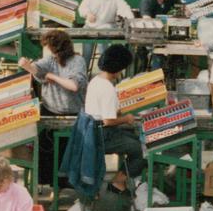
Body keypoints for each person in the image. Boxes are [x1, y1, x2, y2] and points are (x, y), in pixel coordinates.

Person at [84, 44, 145, 195]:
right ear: (119, 68)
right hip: (102, 134)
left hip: (91, 129)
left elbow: (102, 110)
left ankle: (120, 180)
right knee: (143, 150)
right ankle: (118, 181)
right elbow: (108, 121)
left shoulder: (95, 80)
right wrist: (126, 118)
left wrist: (118, 111)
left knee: (135, 140)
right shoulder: (108, 88)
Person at [19, 29, 88, 116]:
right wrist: (27, 66)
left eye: (49, 48)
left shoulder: (77, 61)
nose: (48, 51)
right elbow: (36, 68)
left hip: (74, 111)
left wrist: (52, 76)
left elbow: (73, 86)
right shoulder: (51, 59)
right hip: (50, 109)